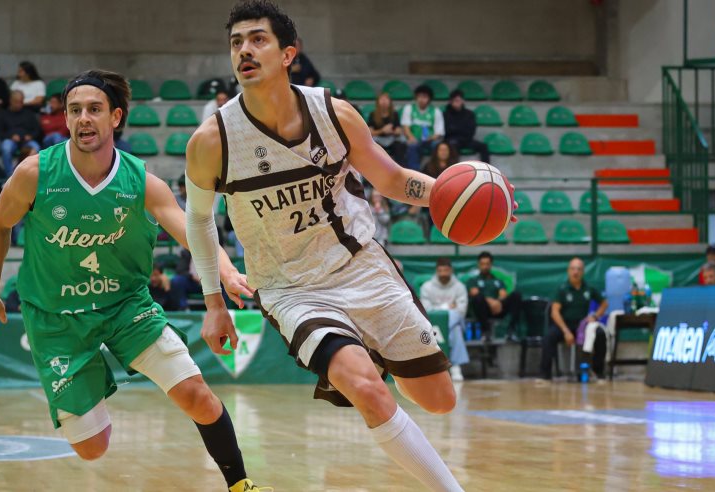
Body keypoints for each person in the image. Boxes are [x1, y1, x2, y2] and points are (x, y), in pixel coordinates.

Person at [185, 2, 494, 489]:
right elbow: (199, 219)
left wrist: (462, 196)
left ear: (288, 54)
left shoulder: (333, 113)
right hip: (291, 288)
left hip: (361, 266)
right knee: (368, 390)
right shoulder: (213, 140)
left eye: (258, 39)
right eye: (236, 42)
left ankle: (373, 353)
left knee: (439, 399)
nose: (244, 50)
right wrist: (213, 302)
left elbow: (391, 178)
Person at [0, 69, 265, 492]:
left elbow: (191, 230)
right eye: (75, 110)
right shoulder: (36, 173)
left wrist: (226, 270)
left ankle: (241, 485)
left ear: (115, 117)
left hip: (126, 306)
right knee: (92, 448)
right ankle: (90, 386)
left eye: (94, 109)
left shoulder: (140, 181)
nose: (83, 118)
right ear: (65, 118)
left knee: (196, 395)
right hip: (57, 317)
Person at [539, 257, 608, 382]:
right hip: (563, 325)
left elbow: (604, 304)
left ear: (583, 272)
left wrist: (595, 316)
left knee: (600, 334)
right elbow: (554, 312)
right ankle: (545, 375)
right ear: (568, 271)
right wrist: (566, 331)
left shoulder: (589, 288)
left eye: (579, 269)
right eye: (573, 269)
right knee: (549, 337)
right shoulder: (562, 288)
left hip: (582, 326)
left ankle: (598, 372)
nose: (576, 272)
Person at [419, 257, 470, 382]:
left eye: (446, 270)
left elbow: (461, 311)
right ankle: (452, 366)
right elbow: (426, 310)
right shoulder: (427, 287)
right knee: (453, 330)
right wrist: (447, 307)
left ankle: (455, 367)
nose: (443, 274)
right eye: (440, 271)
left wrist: (439, 309)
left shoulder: (459, 287)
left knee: (455, 328)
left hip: (455, 322)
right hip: (433, 324)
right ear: (437, 271)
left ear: (451, 270)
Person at [466, 252, 523, 341]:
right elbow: (474, 293)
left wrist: (498, 302)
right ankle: (486, 331)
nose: (485, 266)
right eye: (482, 264)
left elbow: (503, 294)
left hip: (497, 309)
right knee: (478, 298)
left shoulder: (498, 281)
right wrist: (492, 302)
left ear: (491, 265)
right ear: (478, 265)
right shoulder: (473, 280)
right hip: (482, 310)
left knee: (516, 295)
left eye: (487, 264)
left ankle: (511, 331)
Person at [0, 91, 42, 175]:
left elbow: (37, 130)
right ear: (11, 101)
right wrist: (10, 136)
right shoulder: (3, 114)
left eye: (21, 102)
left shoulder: (29, 114)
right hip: (10, 140)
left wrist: (31, 136)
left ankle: (32, 174)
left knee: (36, 148)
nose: (19, 105)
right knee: (6, 148)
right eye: (16, 102)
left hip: (27, 141)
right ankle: (10, 175)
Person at [401, 84, 444, 172]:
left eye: (424, 97)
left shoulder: (436, 111)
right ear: (416, 97)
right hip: (414, 139)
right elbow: (405, 127)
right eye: (419, 96)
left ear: (429, 99)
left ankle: (436, 171)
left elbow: (439, 132)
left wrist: (430, 138)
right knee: (412, 146)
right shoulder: (409, 108)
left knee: (437, 146)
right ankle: (414, 173)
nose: (421, 99)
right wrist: (411, 137)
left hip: (430, 140)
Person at [443, 89, 490, 164]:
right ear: (450, 101)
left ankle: (486, 168)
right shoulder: (445, 114)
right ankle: (453, 169)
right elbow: (446, 130)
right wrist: (460, 129)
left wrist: (455, 129)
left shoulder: (469, 114)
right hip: (452, 140)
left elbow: (471, 131)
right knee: (453, 145)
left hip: (466, 140)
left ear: (463, 101)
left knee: (483, 146)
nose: (457, 103)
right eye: (455, 100)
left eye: (459, 100)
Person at [367, 92, 407, 166]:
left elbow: (399, 130)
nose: (384, 101)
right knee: (374, 147)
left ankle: (400, 168)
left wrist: (393, 131)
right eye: (382, 99)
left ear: (390, 102)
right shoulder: (373, 114)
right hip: (378, 139)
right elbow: (370, 132)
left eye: (386, 99)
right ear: (378, 102)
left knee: (400, 145)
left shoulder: (394, 114)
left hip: (391, 139)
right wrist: (382, 130)